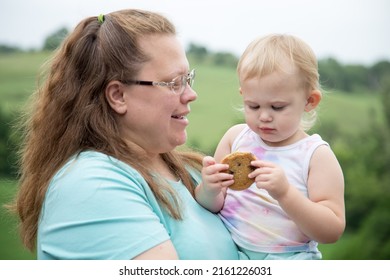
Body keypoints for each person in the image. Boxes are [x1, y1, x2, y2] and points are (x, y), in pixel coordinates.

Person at [12, 9, 241, 260]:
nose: (190, 94)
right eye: (174, 82)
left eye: (188, 78)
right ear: (118, 96)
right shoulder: (91, 184)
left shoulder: (194, 175)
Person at [195, 34, 345, 260]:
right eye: (253, 106)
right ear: (243, 95)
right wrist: (209, 188)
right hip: (229, 252)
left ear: (309, 101)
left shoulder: (315, 156)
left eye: (277, 107)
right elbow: (213, 205)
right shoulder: (235, 139)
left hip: (290, 258)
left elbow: (331, 230)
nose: (264, 116)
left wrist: (285, 193)